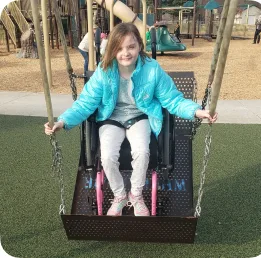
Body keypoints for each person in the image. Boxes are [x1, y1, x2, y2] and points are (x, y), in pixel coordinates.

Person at [44, 22, 217, 217]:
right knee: (108, 156)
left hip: (139, 116)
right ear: (112, 50)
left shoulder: (152, 70)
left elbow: (172, 99)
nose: (125, 53)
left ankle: (135, 195)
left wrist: (197, 111)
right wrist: (63, 122)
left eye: (131, 47)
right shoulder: (104, 71)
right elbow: (85, 104)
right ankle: (119, 195)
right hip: (111, 117)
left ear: (140, 47)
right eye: (119, 48)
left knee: (142, 152)